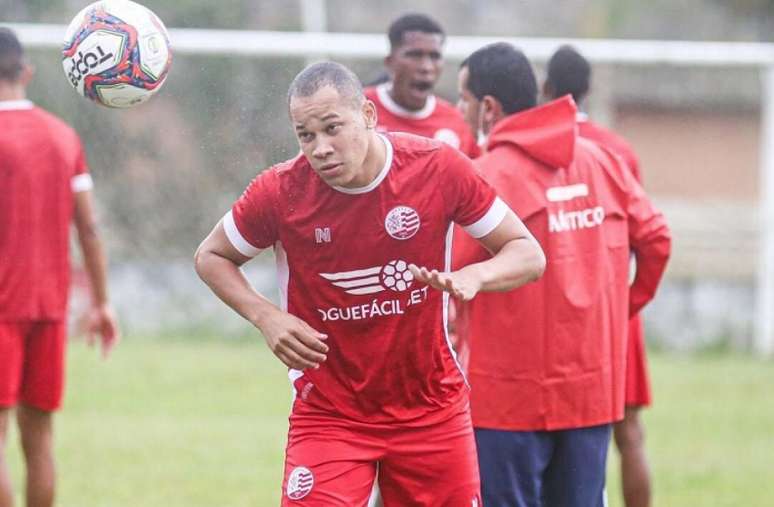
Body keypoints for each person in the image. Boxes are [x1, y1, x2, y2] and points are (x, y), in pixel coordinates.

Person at [194, 60, 545, 506]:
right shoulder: (281, 192)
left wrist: (474, 275)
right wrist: (266, 316)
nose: (320, 148)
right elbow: (211, 256)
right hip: (329, 413)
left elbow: (527, 252)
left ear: (368, 115)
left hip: (430, 408)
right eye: (306, 135)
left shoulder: (436, 168)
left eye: (332, 128)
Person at [453, 42, 671, 507]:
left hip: (504, 397)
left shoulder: (484, 176)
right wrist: (622, 308)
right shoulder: (602, 161)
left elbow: (450, 276)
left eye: (464, 100)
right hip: (591, 389)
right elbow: (657, 240)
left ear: (488, 108)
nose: (459, 111)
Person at [0, 28, 120, 507]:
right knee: (40, 439)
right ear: (26, 73)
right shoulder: (63, 135)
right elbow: (88, 229)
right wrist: (102, 302)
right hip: (50, 309)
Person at [544, 44, 653, 507]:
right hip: (614, 305)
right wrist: (630, 299)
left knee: (551, 434)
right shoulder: (619, 149)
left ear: (546, 90)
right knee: (628, 432)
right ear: (589, 89)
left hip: (555, 312)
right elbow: (644, 231)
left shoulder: (538, 144)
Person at [364, 13, 479, 158]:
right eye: (415, 55)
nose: (426, 67)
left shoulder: (457, 122)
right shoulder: (357, 109)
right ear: (390, 62)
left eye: (435, 56)